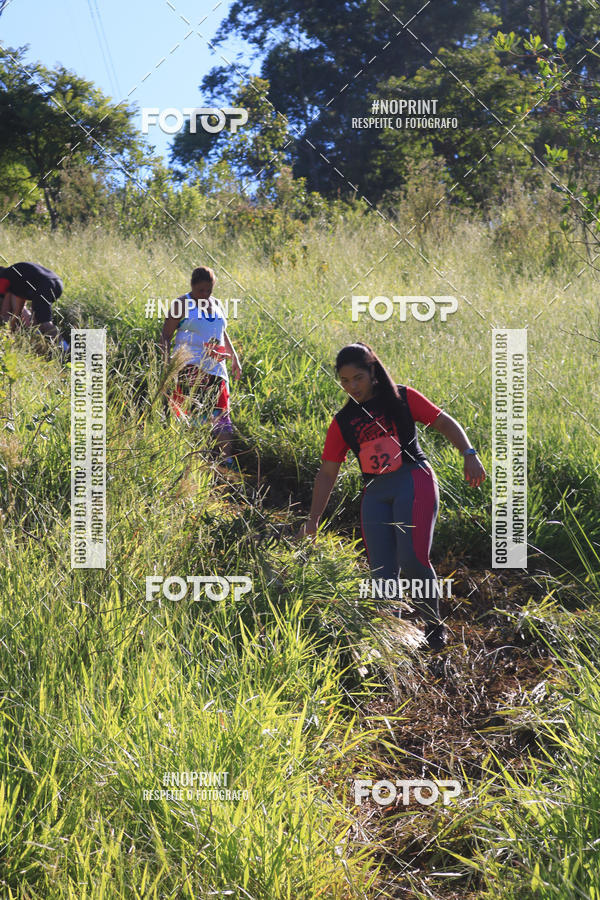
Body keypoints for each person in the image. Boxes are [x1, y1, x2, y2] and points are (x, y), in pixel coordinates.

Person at [299, 342, 486, 651]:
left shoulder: (402, 397)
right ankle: (390, 641)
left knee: (412, 559)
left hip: (413, 481)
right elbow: (327, 473)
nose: (352, 386)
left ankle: (434, 627)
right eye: (345, 381)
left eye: (358, 378)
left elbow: (443, 421)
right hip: (375, 494)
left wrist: (469, 453)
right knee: (382, 572)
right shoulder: (343, 421)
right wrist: (313, 521)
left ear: (373, 372)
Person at [160, 266, 241, 465]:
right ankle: (187, 460)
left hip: (217, 368)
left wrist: (234, 357)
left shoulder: (217, 304)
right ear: (192, 286)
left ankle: (226, 461)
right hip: (189, 366)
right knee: (190, 414)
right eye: (200, 290)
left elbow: (221, 331)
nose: (204, 294)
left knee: (221, 414)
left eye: (208, 290)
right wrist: (166, 366)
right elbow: (166, 335)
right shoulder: (181, 304)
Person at [0, 261, 67, 349]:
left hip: (45, 285)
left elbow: (5, 311)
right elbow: (18, 309)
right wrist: (11, 332)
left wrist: (8, 334)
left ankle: (66, 349)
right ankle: (40, 345)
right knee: (36, 320)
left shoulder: (4, 277)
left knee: (44, 322)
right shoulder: (16, 278)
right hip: (58, 283)